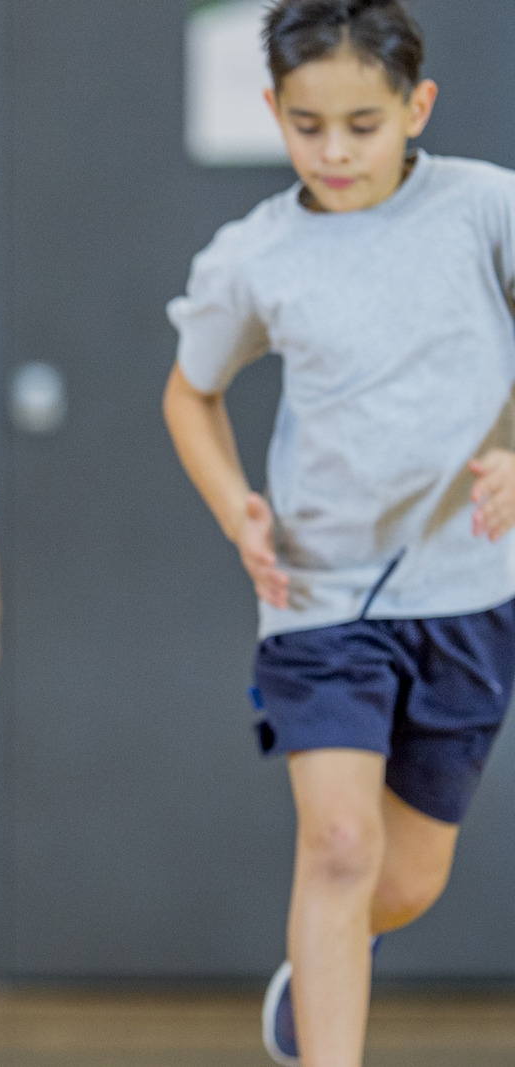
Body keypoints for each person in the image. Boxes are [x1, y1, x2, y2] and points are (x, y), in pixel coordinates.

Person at [164, 3, 515, 1064]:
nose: (334, 152)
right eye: (307, 126)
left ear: (416, 107)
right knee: (338, 843)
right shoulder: (253, 256)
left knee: (401, 880)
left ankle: (317, 968)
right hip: (316, 596)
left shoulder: (484, 208)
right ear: (274, 111)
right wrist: (237, 507)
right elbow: (189, 396)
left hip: (466, 593)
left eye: (362, 126)